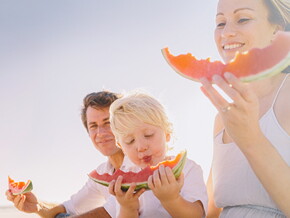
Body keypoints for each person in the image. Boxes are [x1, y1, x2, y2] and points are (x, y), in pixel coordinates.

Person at [199, 0, 290, 217]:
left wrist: (251, 138)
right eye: (220, 23)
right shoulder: (222, 117)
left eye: (243, 19)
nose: (227, 33)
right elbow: (213, 209)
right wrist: (170, 196)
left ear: (277, 30)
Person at [6, 91, 135, 217]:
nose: (100, 133)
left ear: (123, 125)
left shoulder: (139, 162)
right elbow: (70, 208)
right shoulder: (102, 173)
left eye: (107, 123)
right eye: (93, 126)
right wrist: (38, 206)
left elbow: (109, 213)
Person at [102, 91, 208, 218]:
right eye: (130, 141)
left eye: (148, 135)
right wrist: (127, 207)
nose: (141, 147)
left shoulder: (188, 168)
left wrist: (171, 199)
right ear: (122, 148)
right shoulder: (125, 183)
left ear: (167, 134)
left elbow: (197, 215)